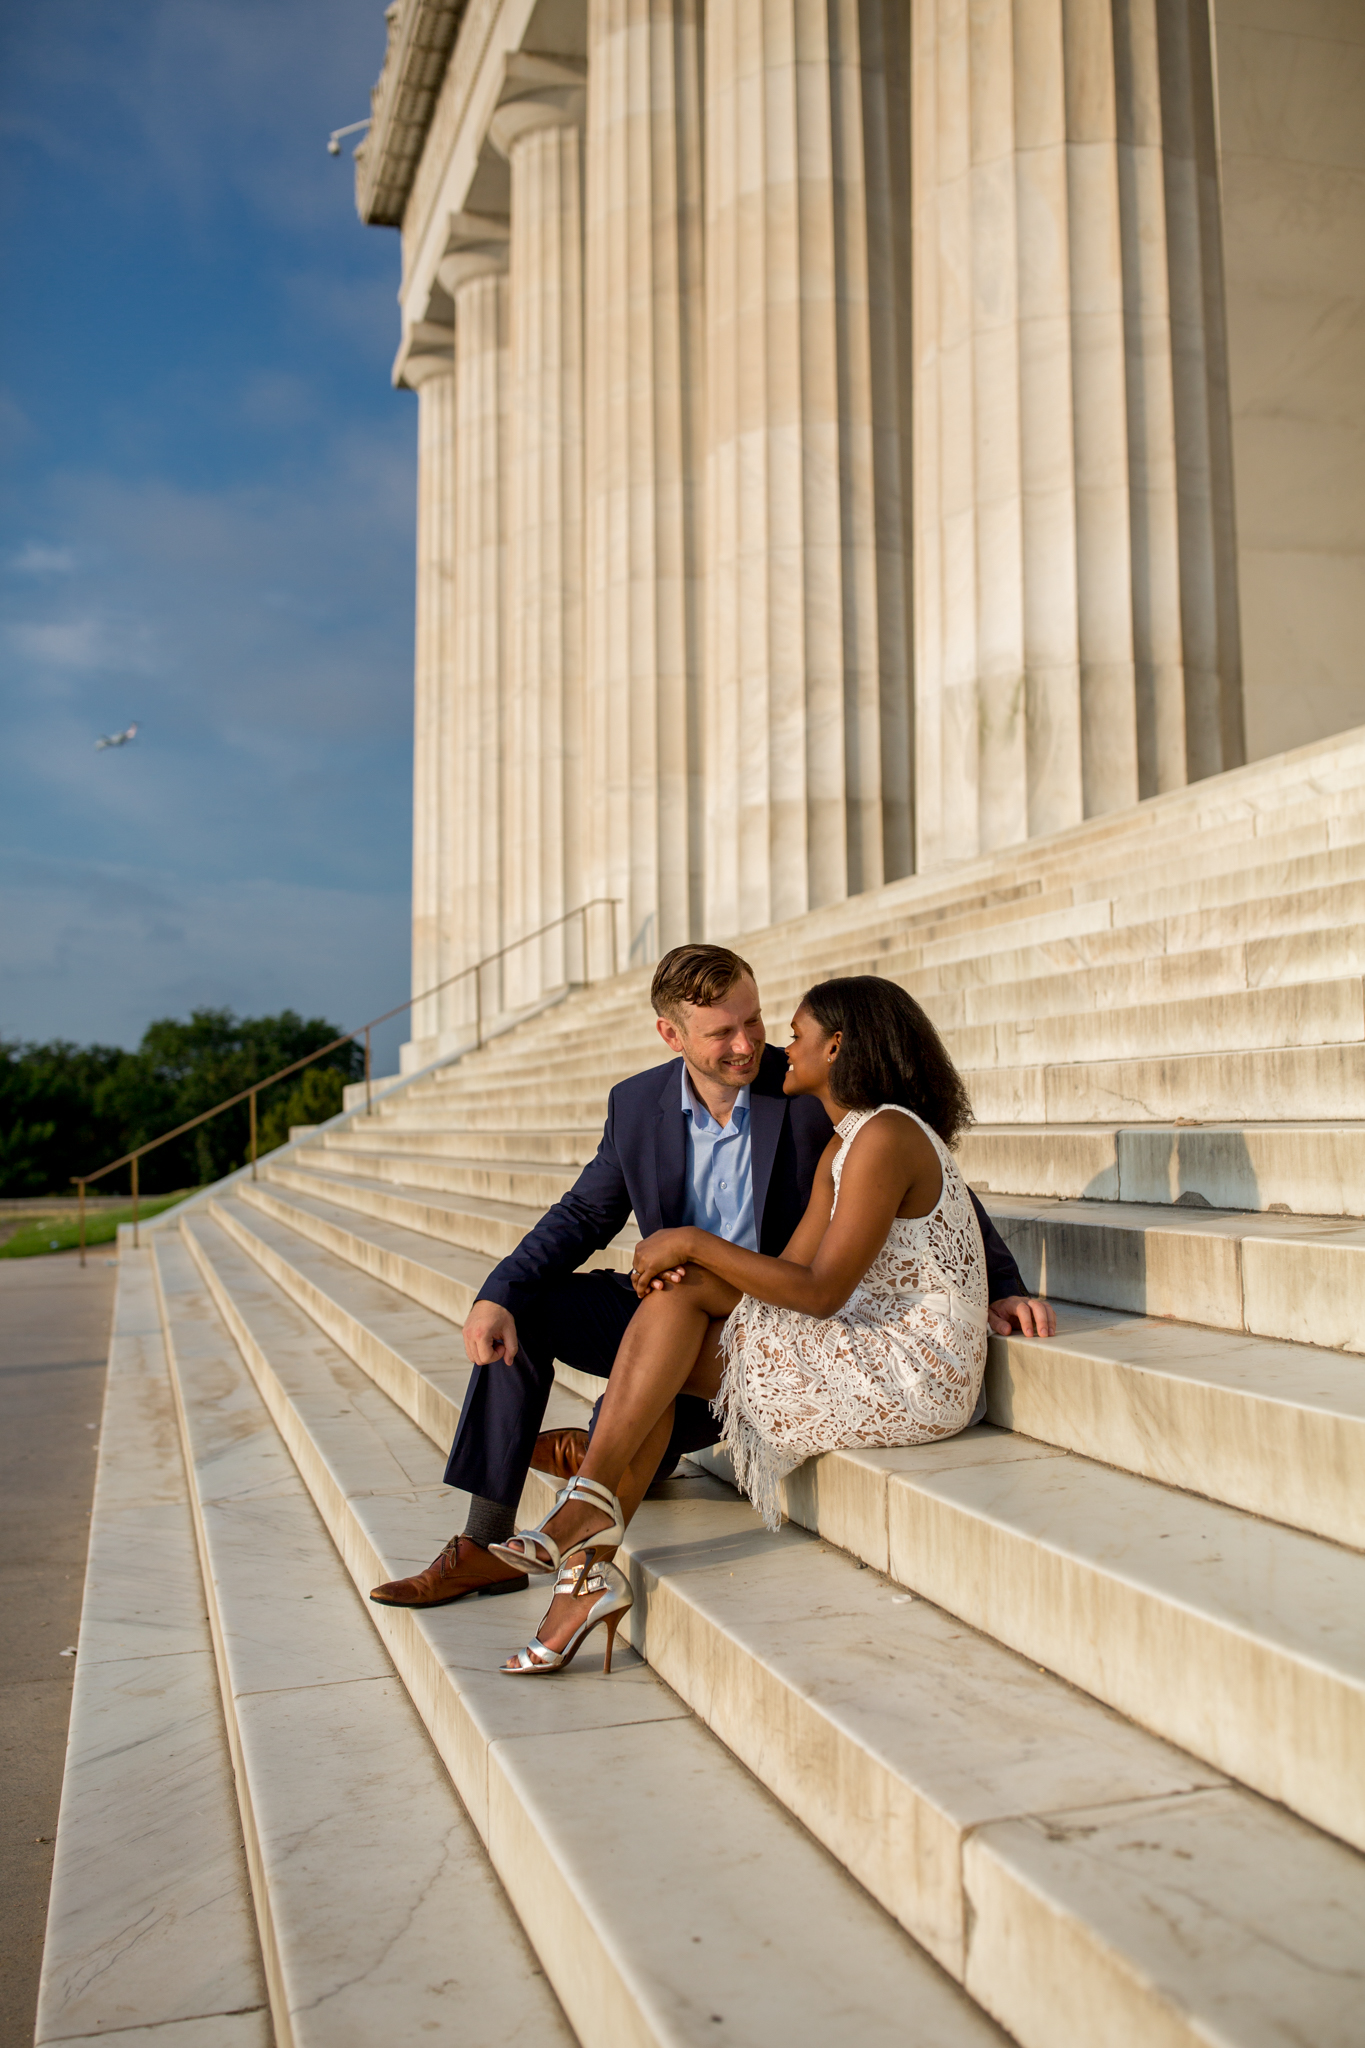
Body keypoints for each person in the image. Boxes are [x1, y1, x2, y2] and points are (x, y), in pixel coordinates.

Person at [370, 947, 1053, 1612]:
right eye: (721, 1031)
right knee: (523, 1312)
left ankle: (599, 1472)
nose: (747, 1043)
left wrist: (1001, 1279)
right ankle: (482, 1543)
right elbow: (582, 1213)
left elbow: (927, 1179)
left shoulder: (812, 1084)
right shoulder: (636, 1105)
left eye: (752, 1020)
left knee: (654, 1368)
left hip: (772, 1310)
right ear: (671, 1034)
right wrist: (496, 1292)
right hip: (678, 1304)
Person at [491, 976, 1012, 1675]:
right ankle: (583, 1562)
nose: (778, 1047)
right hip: (856, 1338)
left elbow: (821, 1292)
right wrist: (693, 1273)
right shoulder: (845, 1143)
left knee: (671, 1333)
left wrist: (691, 1243)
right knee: (672, 1313)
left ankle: (585, 1525)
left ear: (836, 1047)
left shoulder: (885, 1136)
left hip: (912, 1370)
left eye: (793, 1034)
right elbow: (789, 1278)